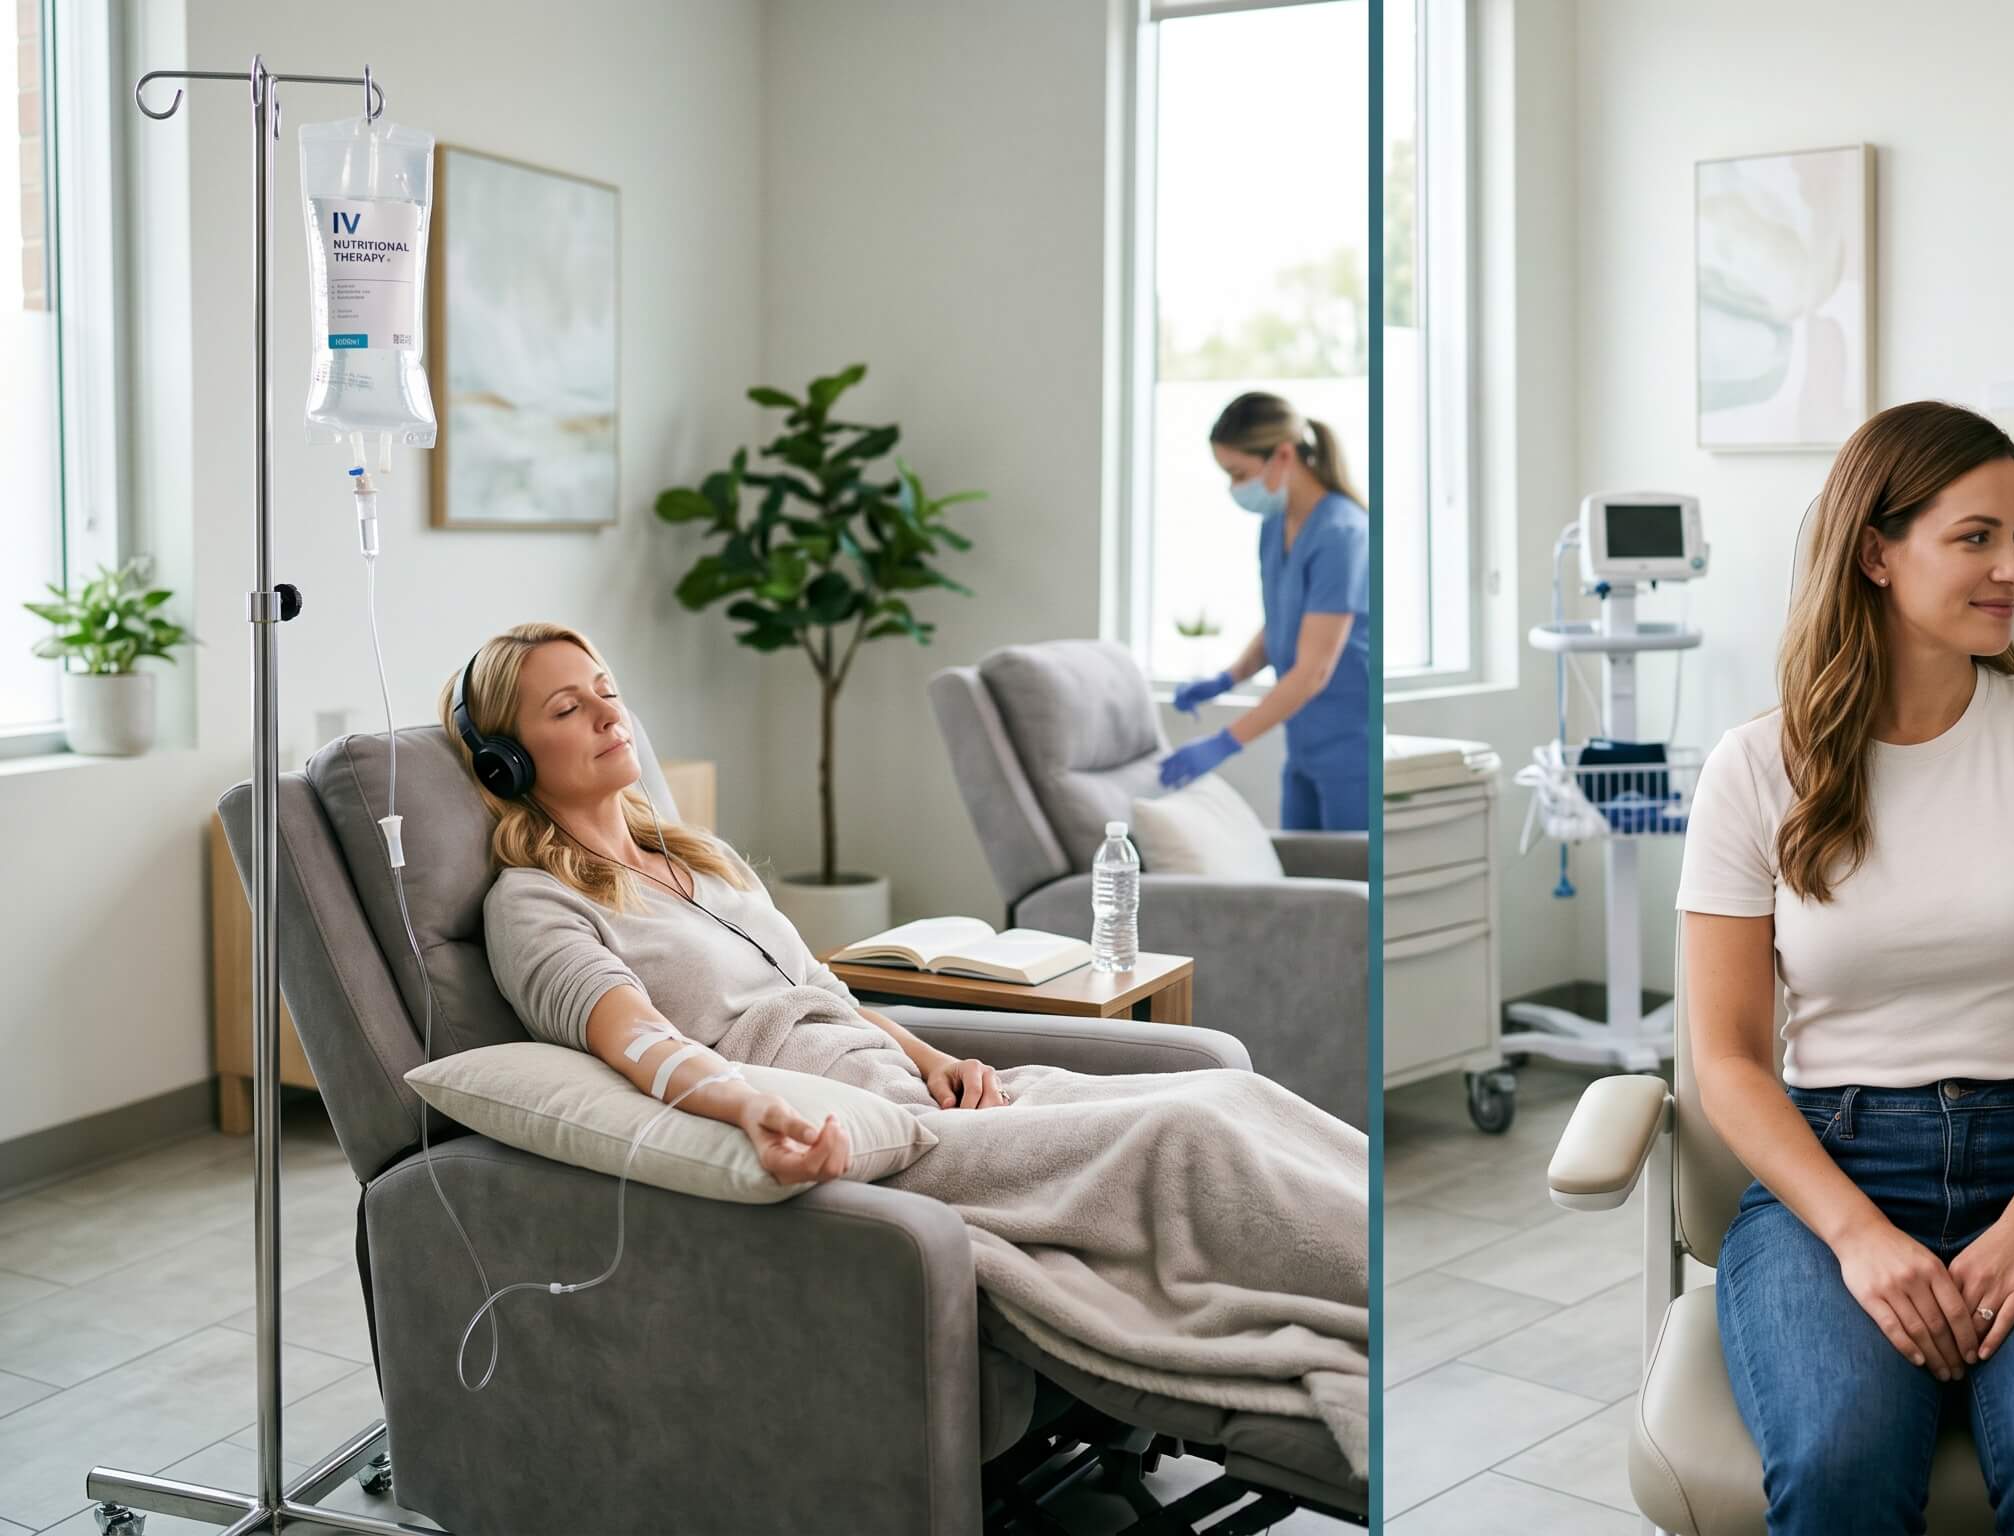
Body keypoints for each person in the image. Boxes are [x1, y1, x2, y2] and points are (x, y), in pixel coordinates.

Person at [447, 623, 1370, 1455]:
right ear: (507, 765)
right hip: (871, 1134)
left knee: (1223, 1091)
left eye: (607, 689)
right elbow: (638, 1042)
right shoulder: (535, 903)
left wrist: (938, 1059)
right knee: (1184, 1136)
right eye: (568, 708)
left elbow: (819, 990)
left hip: (921, 1091)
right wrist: (753, 1104)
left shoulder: (698, 858)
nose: (608, 714)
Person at [1677, 402, 2014, 1534]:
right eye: (1975, 538)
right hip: (1834, 1174)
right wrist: (1856, 1235)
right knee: (1840, 1468)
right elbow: (1727, 1059)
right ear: (1875, 554)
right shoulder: (1757, 768)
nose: (2011, 569)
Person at [1160, 392, 1372, 831]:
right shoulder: (1275, 524)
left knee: (1350, 890)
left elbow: (1314, 670)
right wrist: (1227, 677)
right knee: (1303, 880)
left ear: (1283, 455)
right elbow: (1284, 618)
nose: (1234, 488)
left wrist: (1223, 743)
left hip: (1351, 751)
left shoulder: (1341, 533)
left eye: (1238, 473)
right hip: (1304, 745)